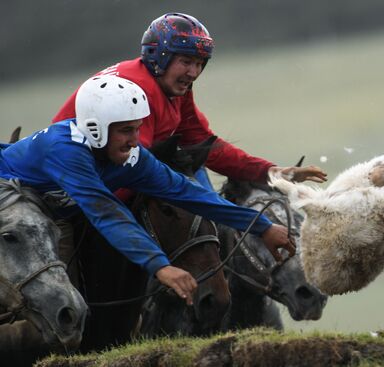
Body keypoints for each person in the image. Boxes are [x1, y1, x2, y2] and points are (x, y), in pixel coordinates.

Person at [0, 74, 295, 304]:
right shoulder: (65, 151)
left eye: (137, 128)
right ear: (95, 129)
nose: (135, 140)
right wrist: (161, 267)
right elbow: (108, 213)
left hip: (50, 215)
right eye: (126, 130)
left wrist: (261, 226)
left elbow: (187, 193)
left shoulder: (132, 157)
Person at [53, 12, 327, 191]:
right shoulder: (136, 91)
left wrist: (271, 172)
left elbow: (204, 145)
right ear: (157, 57)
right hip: (71, 181)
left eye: (199, 64)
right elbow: (132, 169)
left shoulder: (174, 86)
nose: (193, 73)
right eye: (185, 61)